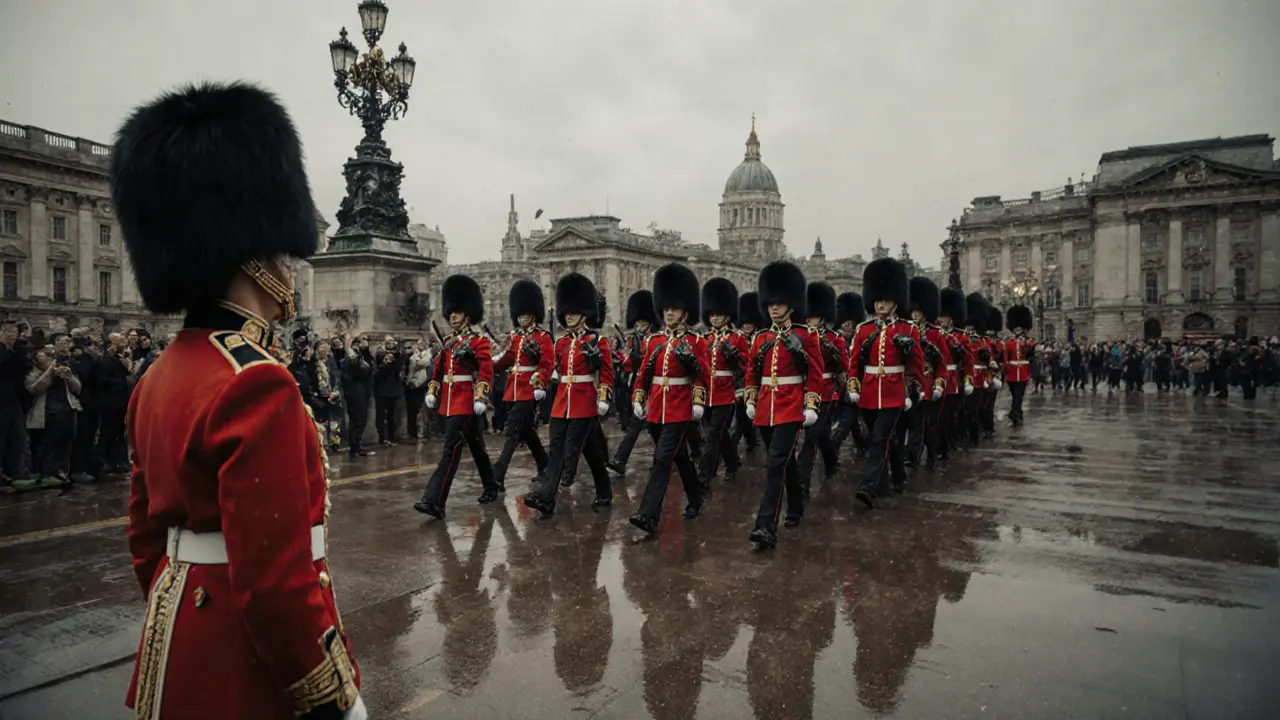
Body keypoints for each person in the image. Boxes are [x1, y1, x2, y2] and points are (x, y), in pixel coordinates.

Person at [114, 82, 364, 719]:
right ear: (256, 257)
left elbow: (147, 541)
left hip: (176, 646)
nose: (291, 264)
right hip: (246, 667)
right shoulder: (256, 381)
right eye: (282, 252)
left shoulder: (160, 374)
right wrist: (328, 695)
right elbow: (277, 584)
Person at [745, 261, 823, 548]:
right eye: (771, 303)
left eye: (780, 303)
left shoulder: (805, 335)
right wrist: (751, 399)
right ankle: (797, 506)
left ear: (791, 304)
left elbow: (814, 373)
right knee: (785, 461)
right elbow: (752, 372)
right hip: (766, 407)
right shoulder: (761, 337)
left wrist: (811, 405)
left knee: (775, 462)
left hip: (791, 406)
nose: (774, 308)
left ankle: (765, 526)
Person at [523, 273, 615, 516]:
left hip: (584, 403)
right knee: (580, 451)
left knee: (568, 450)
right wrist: (540, 382)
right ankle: (604, 491)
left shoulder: (597, 341)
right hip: (562, 402)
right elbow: (548, 367)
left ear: (584, 314)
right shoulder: (561, 343)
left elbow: (607, 373)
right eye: (567, 312)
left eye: (573, 312)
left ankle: (545, 497)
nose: (568, 315)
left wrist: (604, 397)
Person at [628, 263, 709, 536]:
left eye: (673, 309)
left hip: (679, 407)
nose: (669, 313)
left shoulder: (697, 342)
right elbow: (644, 373)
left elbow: (703, 375)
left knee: (662, 459)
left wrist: (698, 401)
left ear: (685, 312)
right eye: (666, 308)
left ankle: (648, 514)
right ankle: (697, 497)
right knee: (680, 458)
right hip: (656, 408)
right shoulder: (654, 341)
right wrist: (639, 397)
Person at [415, 275, 498, 517]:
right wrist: (433, 390)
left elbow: (486, 369)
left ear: (468, 315)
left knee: (450, 450)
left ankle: (435, 501)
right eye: (451, 312)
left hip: (466, 401)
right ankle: (491, 484)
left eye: (458, 312)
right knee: (476, 445)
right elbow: (438, 368)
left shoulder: (478, 342)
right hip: (450, 402)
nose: (452, 316)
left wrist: (481, 396)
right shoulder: (449, 342)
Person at [847, 258, 926, 508]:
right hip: (869, 391)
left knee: (880, 438)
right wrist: (853, 384)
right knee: (882, 439)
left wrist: (911, 389)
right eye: (878, 300)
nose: (881, 304)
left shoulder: (909, 329)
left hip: (893, 392)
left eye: (886, 300)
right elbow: (855, 364)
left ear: (896, 302)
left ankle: (868, 486)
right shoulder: (864, 329)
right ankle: (897, 476)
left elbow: (915, 364)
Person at [491, 280, 554, 489]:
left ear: (533, 315)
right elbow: (508, 359)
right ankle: (545, 465)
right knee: (526, 431)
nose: (520, 318)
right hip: (514, 388)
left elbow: (546, 363)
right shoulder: (515, 336)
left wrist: (539, 383)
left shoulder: (543, 337)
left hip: (529, 388)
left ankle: (498, 475)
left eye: (524, 314)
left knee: (512, 430)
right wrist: (487, 366)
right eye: (518, 315)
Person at [695, 277, 748, 489]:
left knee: (712, 437)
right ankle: (733, 462)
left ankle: (703, 478)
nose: (715, 317)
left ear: (727, 315)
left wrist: (734, 357)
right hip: (707, 392)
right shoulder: (704, 338)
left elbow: (745, 366)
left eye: (719, 314)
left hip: (726, 393)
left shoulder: (737, 338)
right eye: (712, 314)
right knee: (721, 434)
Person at [795, 281, 844, 494]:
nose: (809, 320)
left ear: (822, 317)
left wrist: (832, 353)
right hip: (802, 390)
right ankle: (831, 461)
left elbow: (843, 366)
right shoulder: (798, 337)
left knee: (810, 439)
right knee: (821, 435)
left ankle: (802, 483)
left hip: (825, 392)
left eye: (812, 316)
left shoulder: (835, 339)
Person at [606, 290, 658, 477]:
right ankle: (620, 461)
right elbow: (629, 364)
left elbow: (651, 362)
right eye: (638, 323)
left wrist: (635, 357)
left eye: (643, 323)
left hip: (657, 387)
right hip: (642, 385)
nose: (639, 327)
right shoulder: (635, 339)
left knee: (656, 427)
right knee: (638, 426)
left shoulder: (658, 339)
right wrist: (626, 355)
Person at [904, 278, 949, 468]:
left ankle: (928, 452)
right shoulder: (904, 331)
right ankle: (912, 455)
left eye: (918, 312)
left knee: (927, 424)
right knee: (914, 422)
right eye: (913, 312)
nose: (915, 315)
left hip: (928, 381)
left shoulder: (935, 334)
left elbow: (942, 362)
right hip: (910, 383)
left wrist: (939, 384)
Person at [22, 348, 82, 489]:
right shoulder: (33, 373)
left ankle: (60, 471)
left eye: (51, 357)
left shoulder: (64, 371)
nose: (50, 360)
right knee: (49, 445)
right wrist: (50, 372)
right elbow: (35, 389)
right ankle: (47, 473)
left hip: (68, 410)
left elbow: (78, 388)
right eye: (46, 357)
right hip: (48, 413)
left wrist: (68, 376)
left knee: (66, 443)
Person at [829, 292, 868, 458]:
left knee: (848, 420)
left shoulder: (861, 338)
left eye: (850, 323)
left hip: (858, 385)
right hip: (840, 387)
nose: (847, 326)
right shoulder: (835, 339)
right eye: (844, 322)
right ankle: (860, 444)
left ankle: (837, 445)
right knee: (849, 419)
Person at [729, 291, 763, 455]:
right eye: (745, 322)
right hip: (741, 383)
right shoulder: (737, 338)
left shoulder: (761, 338)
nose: (747, 325)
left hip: (759, 383)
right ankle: (746, 442)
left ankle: (749, 441)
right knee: (741, 417)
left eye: (750, 323)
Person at [1003, 304, 1035, 425]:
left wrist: (1026, 342)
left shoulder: (1028, 341)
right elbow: (1006, 356)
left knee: (1019, 395)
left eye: (1019, 328)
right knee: (1014, 394)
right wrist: (1006, 369)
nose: (1017, 330)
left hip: (1022, 372)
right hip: (1011, 372)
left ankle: (1014, 412)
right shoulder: (1009, 342)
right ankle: (1018, 412)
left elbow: (1031, 353)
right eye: (1015, 328)